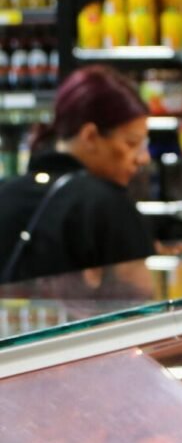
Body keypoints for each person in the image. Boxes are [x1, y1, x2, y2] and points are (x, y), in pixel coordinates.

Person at [0, 64, 153, 283]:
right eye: (132, 143)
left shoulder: (6, 193)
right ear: (90, 136)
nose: (143, 158)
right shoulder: (106, 205)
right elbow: (141, 293)